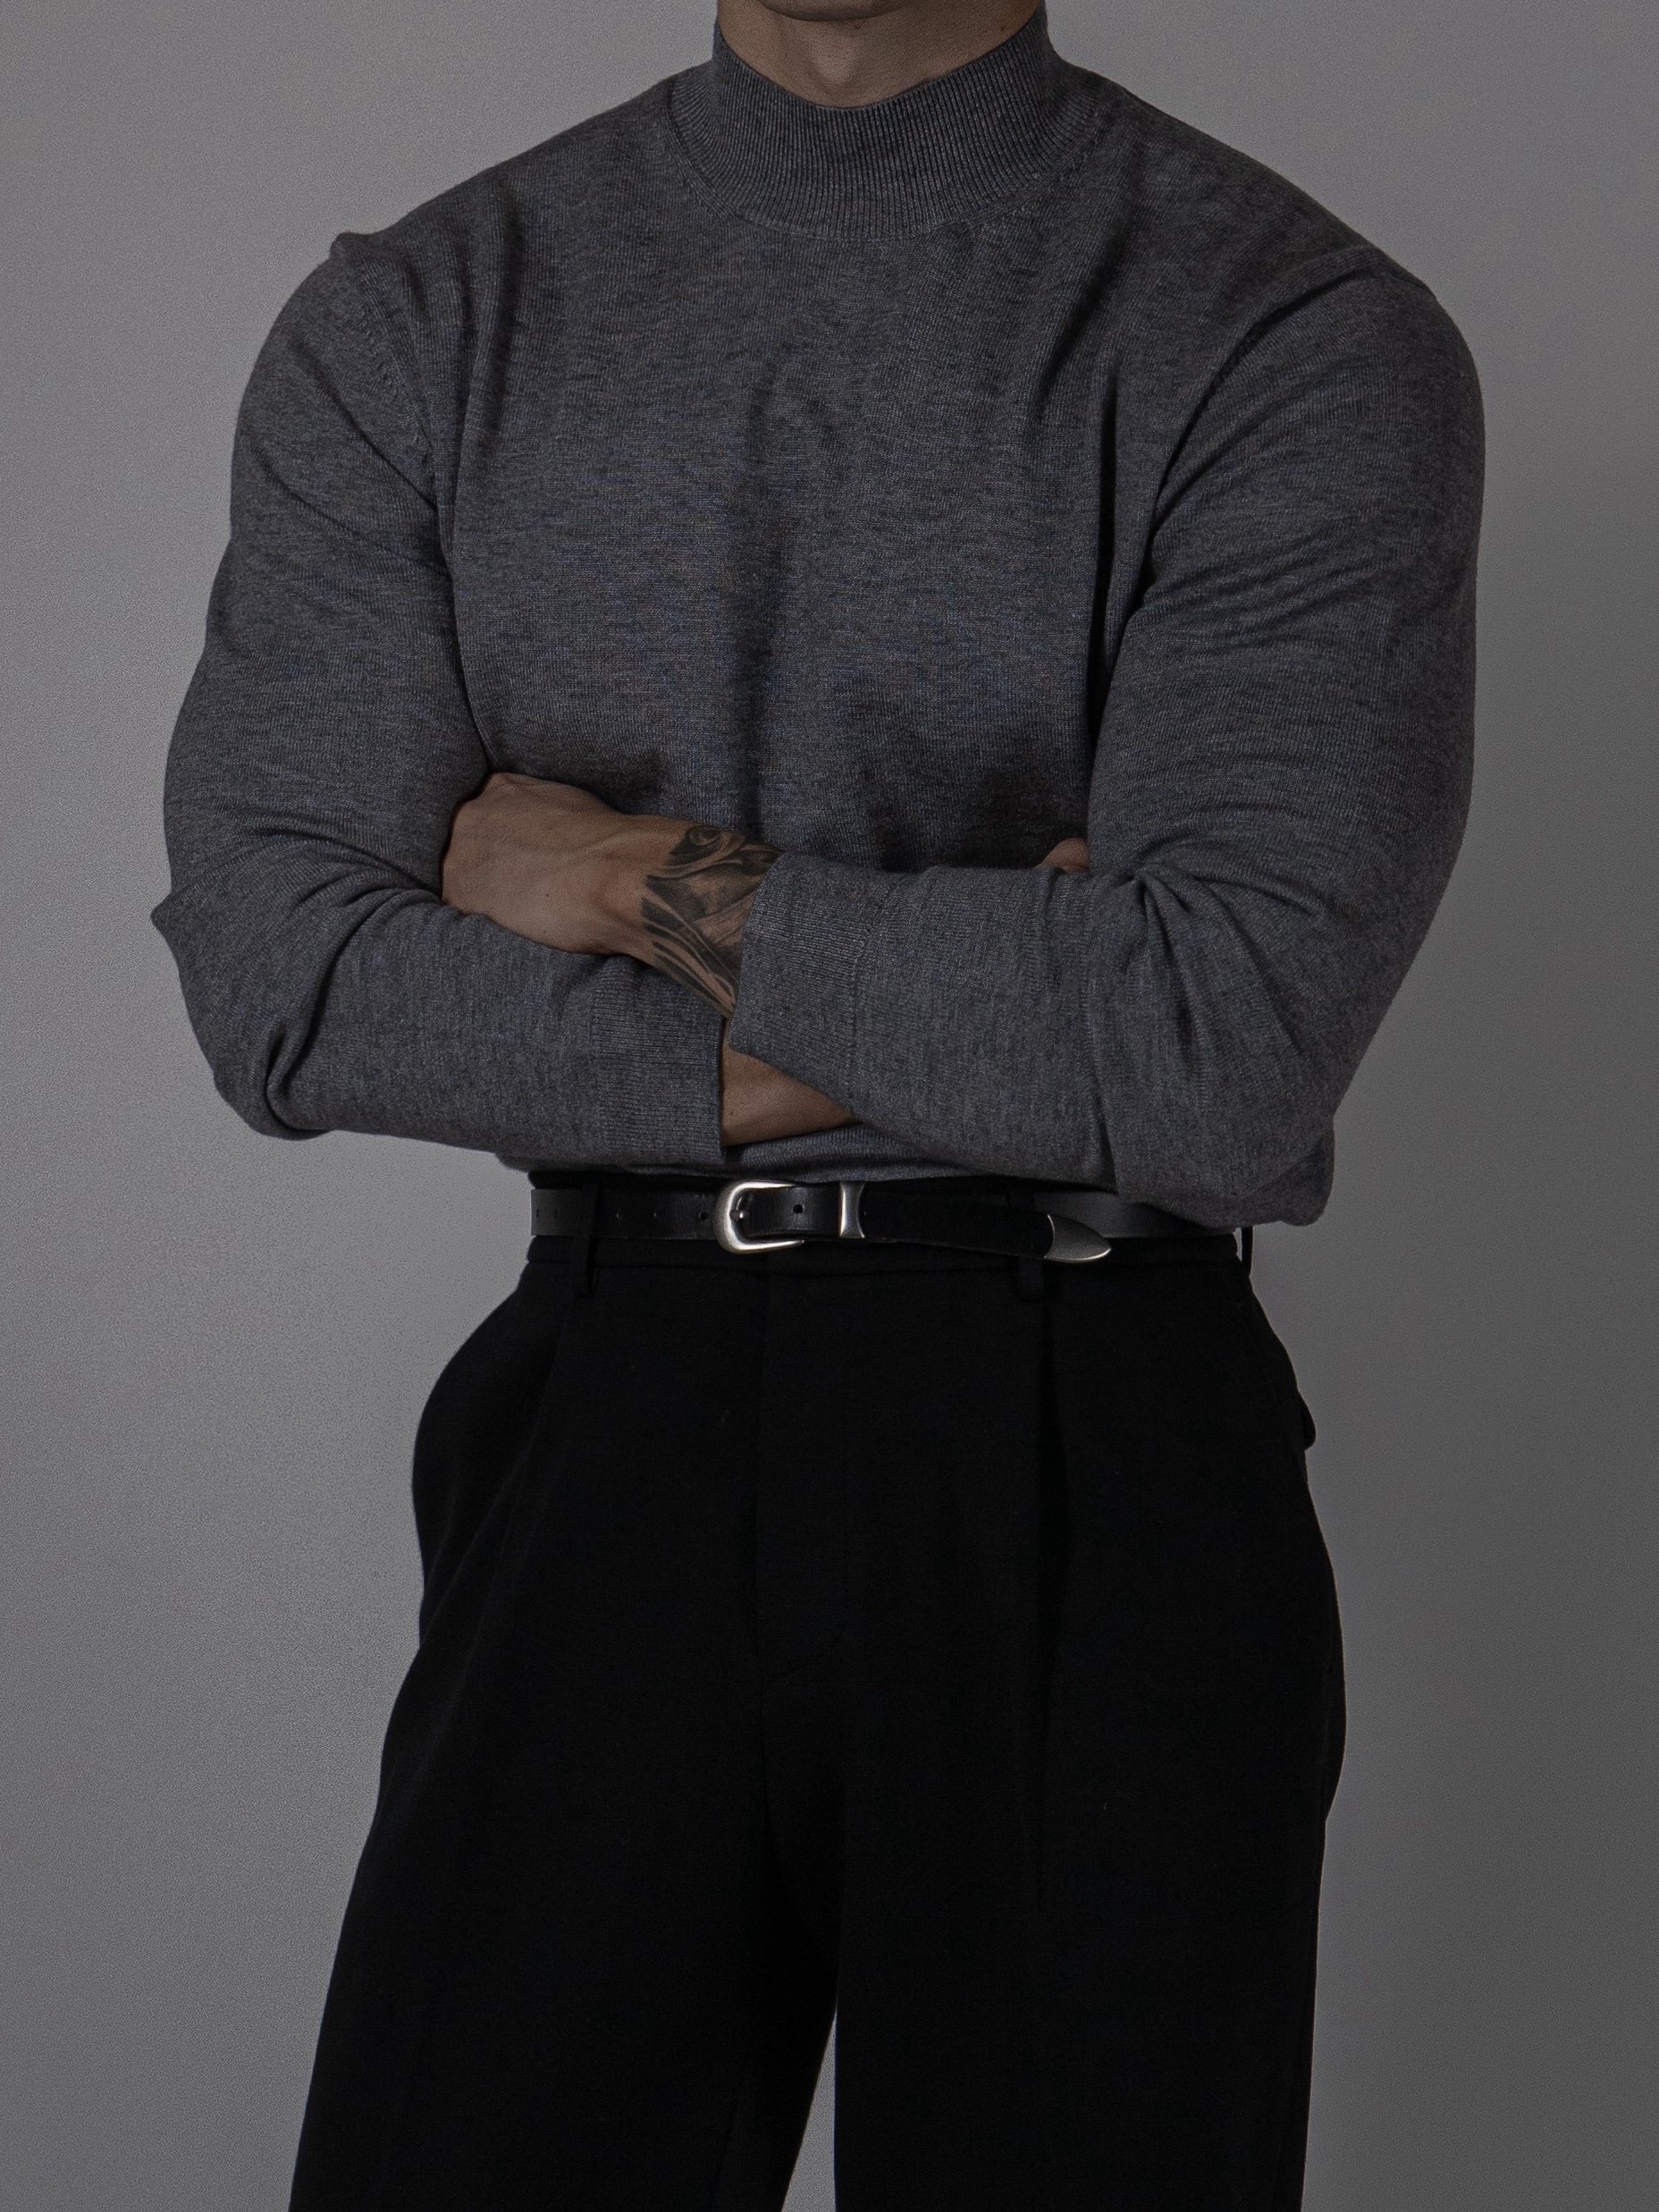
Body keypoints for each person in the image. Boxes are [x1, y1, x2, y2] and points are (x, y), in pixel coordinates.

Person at [155, 0, 1483, 2203]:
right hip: (605, 1399)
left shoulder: (1289, 326)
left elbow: (1221, 1037)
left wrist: (605, 876)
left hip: (1094, 1418)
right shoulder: (422, 315)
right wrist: (1005, 990)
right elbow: (286, 984)